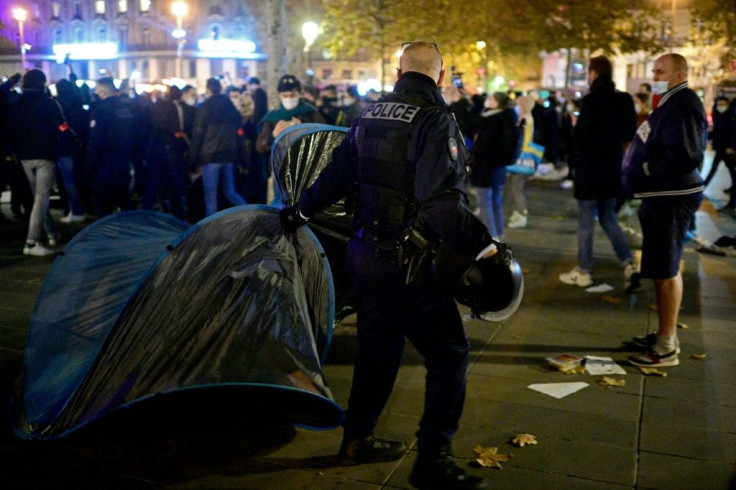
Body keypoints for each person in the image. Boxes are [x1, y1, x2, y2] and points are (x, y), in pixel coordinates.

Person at [280, 41, 494, 489]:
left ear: (398, 71)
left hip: (366, 256)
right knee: (449, 352)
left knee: (379, 348)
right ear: (438, 77)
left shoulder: (368, 115)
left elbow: (333, 179)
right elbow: (441, 204)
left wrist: (298, 212)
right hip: (411, 262)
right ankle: (433, 457)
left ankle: (357, 439)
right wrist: (483, 245)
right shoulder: (435, 121)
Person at [622, 53, 707, 367]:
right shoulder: (669, 102)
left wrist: (643, 169)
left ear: (680, 74)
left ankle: (667, 345)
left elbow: (685, 154)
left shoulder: (683, 104)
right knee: (662, 267)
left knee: (666, 268)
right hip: (662, 196)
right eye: (654, 70)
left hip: (670, 196)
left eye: (661, 70)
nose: (655, 74)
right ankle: (663, 336)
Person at [559, 56, 640, 292]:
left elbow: (580, 138)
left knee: (585, 223)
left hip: (589, 170)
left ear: (594, 74)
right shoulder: (624, 100)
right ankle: (629, 265)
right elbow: (629, 133)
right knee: (609, 218)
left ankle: (584, 271)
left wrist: (575, 126)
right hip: (611, 169)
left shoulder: (591, 101)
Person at [3, 69, 68, 256]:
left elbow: (9, 129)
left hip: (24, 156)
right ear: (43, 83)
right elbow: (62, 126)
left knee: (38, 197)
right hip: (45, 154)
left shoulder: (15, 104)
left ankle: (51, 233)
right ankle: (32, 242)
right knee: (42, 197)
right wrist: (67, 139)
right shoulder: (49, 103)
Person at [189, 77, 248, 217]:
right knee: (230, 192)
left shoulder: (204, 108)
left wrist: (192, 161)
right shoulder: (230, 107)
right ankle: (251, 213)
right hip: (229, 155)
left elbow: (198, 135)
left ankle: (211, 230)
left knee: (211, 197)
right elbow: (239, 133)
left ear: (208, 89)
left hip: (210, 157)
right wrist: (242, 157)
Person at [85, 77, 140, 217]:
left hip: (105, 164)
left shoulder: (101, 109)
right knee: (124, 201)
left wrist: (89, 165)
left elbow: (95, 140)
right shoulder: (126, 108)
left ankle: (108, 237)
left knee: (103, 205)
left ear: (102, 91)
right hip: (124, 163)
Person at [468, 91, 519, 239]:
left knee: (485, 204)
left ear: (497, 103)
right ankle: (499, 232)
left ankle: (492, 236)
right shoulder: (508, 118)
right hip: (499, 168)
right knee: (495, 202)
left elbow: (473, 127)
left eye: (491, 99)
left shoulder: (491, 120)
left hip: (485, 168)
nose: (488, 101)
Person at [256, 75, 325, 157]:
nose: (289, 98)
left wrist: (304, 131)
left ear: (299, 94)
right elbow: (260, 148)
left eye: (292, 95)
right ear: (279, 96)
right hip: (280, 165)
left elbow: (324, 140)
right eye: (285, 96)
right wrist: (273, 136)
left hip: (306, 163)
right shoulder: (272, 117)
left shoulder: (311, 112)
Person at [55, 78, 89, 223]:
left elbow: (59, 126)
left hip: (64, 148)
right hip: (80, 146)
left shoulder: (57, 104)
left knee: (68, 181)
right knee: (79, 178)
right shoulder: (79, 103)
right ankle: (84, 206)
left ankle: (75, 210)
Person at [507, 95, 536, 229]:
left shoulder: (524, 119)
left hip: (520, 156)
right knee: (516, 186)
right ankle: (519, 212)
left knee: (516, 187)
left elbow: (521, 138)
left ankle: (521, 213)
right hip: (523, 155)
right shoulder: (529, 117)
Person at [703, 95, 730, 190]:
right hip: (720, 148)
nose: (720, 106)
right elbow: (716, 132)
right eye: (719, 104)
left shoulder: (730, 118)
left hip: (727, 149)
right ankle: (703, 185)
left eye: (723, 104)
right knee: (714, 168)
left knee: (731, 172)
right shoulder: (718, 117)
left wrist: (731, 147)